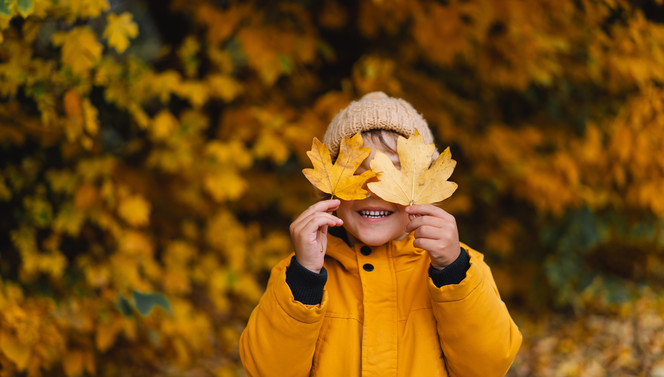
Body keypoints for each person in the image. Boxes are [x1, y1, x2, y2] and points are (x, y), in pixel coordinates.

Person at [239, 92, 522, 377]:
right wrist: (305, 278)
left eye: (393, 173)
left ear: (423, 187)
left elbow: (489, 365)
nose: (373, 191)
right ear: (331, 190)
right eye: (357, 174)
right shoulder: (297, 275)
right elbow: (266, 370)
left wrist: (452, 271)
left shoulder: (463, 269)